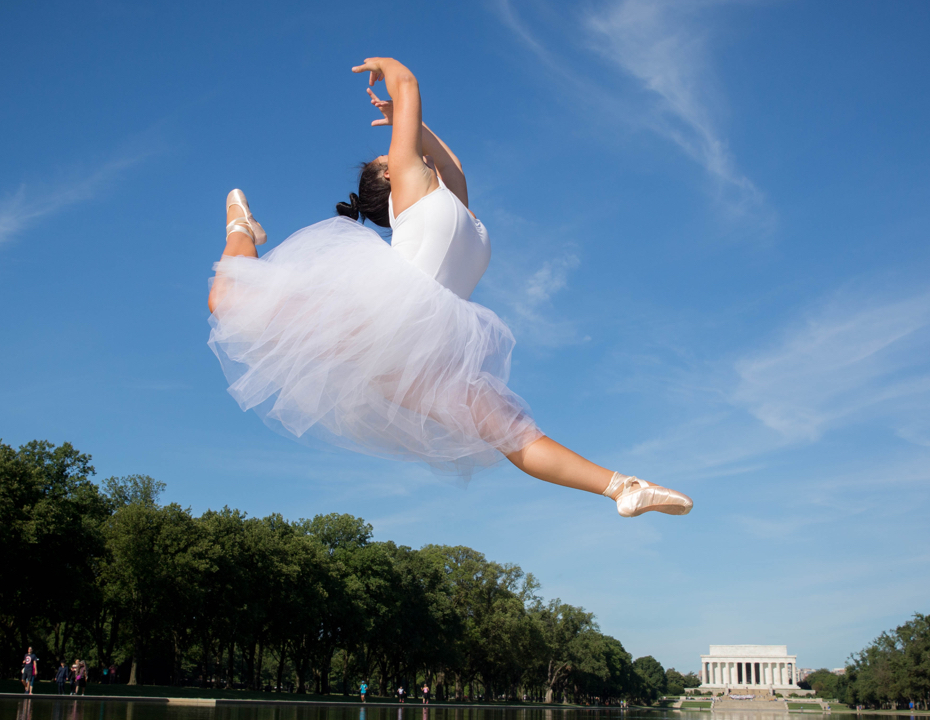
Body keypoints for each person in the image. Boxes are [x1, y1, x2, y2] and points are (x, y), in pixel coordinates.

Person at [206, 56, 693, 519]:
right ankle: (243, 230)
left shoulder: (456, 210)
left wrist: (409, 122)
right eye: (392, 153)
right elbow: (409, 84)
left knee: (514, 434)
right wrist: (391, 73)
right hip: (406, 330)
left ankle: (623, 488)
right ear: (392, 175)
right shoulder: (417, 192)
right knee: (514, 435)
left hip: (412, 344)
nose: (399, 150)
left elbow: (453, 167)